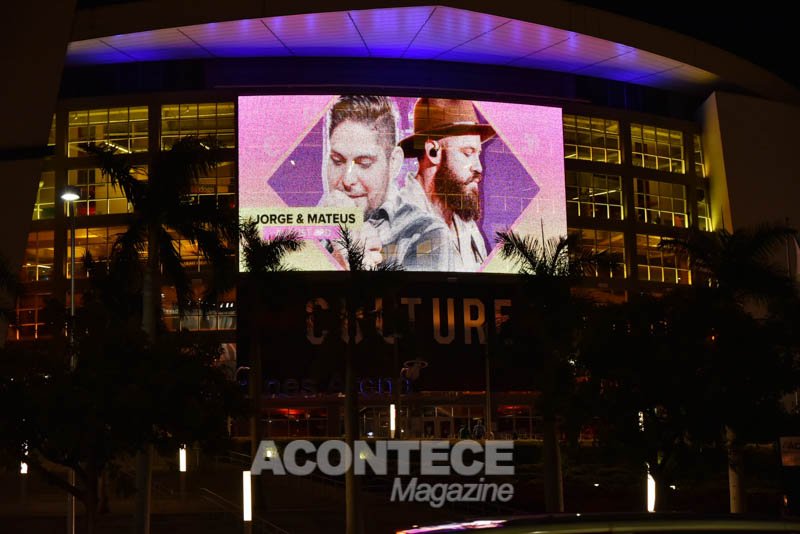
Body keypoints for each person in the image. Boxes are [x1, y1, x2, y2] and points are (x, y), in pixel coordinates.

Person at [370, 98, 495, 272]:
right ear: (432, 152)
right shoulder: (393, 226)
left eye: (478, 154)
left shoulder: (469, 229)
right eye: (468, 153)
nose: (479, 167)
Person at [318, 95, 404, 268]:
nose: (347, 180)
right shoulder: (311, 227)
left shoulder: (425, 233)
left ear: (394, 162)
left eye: (364, 164)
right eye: (337, 160)